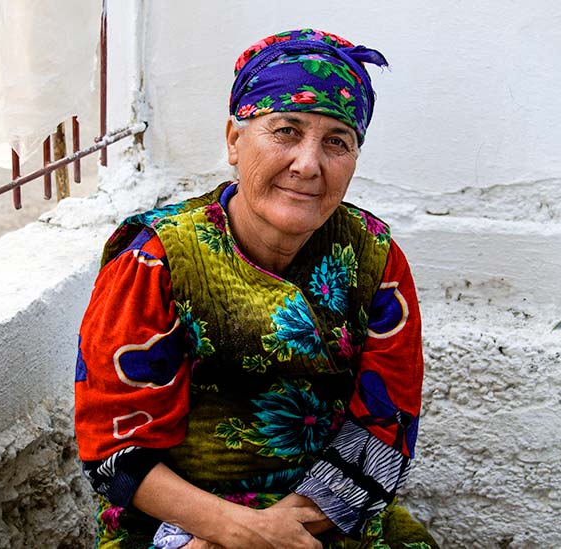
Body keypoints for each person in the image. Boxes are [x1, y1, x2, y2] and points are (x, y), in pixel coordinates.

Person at [75, 29, 438, 549]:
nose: (308, 164)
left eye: (337, 141)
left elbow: (385, 423)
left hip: (328, 510)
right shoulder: (155, 260)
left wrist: (282, 530)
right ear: (233, 140)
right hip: (178, 520)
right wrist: (231, 531)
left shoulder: (373, 258)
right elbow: (114, 452)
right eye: (286, 131)